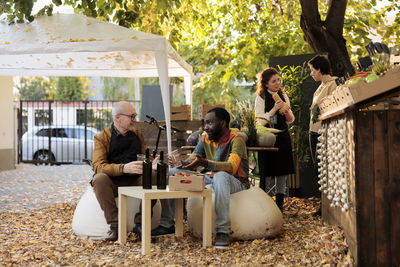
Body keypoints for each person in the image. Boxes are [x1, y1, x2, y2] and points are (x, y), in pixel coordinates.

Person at [152, 107, 249, 249]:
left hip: (236, 181)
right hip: (211, 177)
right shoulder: (205, 138)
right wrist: (181, 163)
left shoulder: (237, 139)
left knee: (221, 175)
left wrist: (205, 163)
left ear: (222, 123)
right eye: (205, 123)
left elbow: (231, 167)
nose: (206, 127)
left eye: (210, 123)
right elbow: (193, 159)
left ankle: (222, 231)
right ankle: (167, 223)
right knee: (171, 171)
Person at [91, 101, 157, 241]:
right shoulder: (101, 138)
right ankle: (116, 227)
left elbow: (146, 157)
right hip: (113, 182)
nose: (135, 120)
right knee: (98, 179)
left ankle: (140, 225)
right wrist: (123, 168)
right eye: (131, 116)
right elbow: (98, 166)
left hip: (135, 180)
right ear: (117, 117)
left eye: (135, 116)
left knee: (154, 174)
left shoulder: (138, 135)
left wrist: (152, 163)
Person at [254, 67, 295, 211]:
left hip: (283, 137)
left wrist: (287, 111)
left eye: (278, 80)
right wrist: (273, 110)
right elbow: (259, 121)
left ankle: (279, 205)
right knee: (268, 173)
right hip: (268, 139)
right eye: (273, 81)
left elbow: (291, 120)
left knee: (282, 173)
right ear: (266, 84)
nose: (277, 83)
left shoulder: (283, 95)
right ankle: (265, 205)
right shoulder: (261, 97)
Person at [308, 55, 338, 216]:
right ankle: (323, 205)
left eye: (312, 70)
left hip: (323, 132)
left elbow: (334, 106)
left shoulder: (333, 84)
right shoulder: (320, 86)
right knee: (318, 169)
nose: (311, 73)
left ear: (320, 69)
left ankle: (327, 207)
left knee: (323, 168)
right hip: (314, 132)